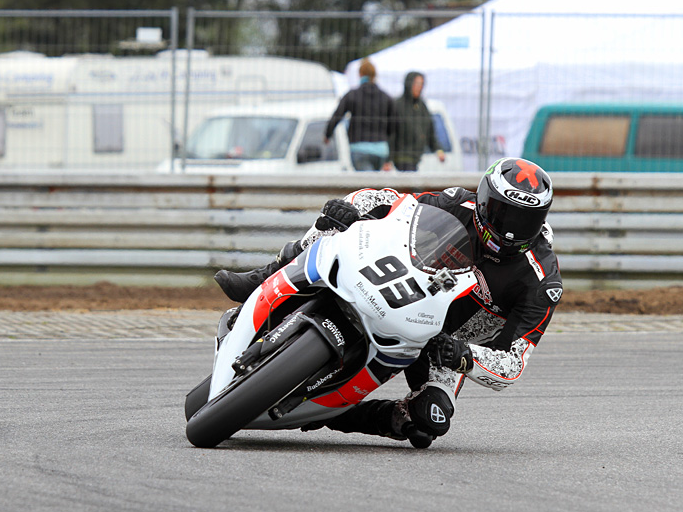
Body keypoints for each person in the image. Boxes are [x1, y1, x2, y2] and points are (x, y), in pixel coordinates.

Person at [214, 157, 563, 446]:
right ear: (485, 200)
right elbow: (391, 202)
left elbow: (513, 364)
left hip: (444, 342)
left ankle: (329, 413)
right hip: (401, 284)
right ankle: (269, 275)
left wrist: (464, 355)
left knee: (429, 421)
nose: (510, 229)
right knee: (334, 227)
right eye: (504, 214)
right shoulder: (460, 203)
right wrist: (351, 210)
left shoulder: (541, 279)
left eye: (525, 220)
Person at [324, 58, 395, 171]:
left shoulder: (352, 95)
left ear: (360, 74)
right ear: (374, 75)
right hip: (381, 149)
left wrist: (327, 134)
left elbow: (337, 115)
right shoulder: (386, 97)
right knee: (375, 183)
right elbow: (392, 126)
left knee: (367, 184)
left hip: (359, 147)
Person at [390, 71, 446, 172]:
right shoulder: (398, 105)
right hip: (401, 157)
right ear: (409, 84)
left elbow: (430, 132)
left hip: (416, 158)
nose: (419, 87)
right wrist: (388, 158)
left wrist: (438, 150)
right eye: (416, 83)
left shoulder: (422, 107)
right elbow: (390, 133)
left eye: (421, 84)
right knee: (413, 186)